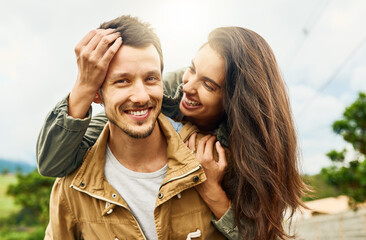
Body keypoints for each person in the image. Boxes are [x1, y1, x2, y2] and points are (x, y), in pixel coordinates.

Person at [37, 22, 306, 240]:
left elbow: (260, 233)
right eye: (191, 69)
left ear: (234, 103)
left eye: (209, 86)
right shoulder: (167, 92)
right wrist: (85, 85)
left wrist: (212, 190)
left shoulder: (236, 158)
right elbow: (55, 159)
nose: (188, 88)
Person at [42, 15, 229, 240]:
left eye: (151, 79)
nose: (141, 97)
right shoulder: (72, 187)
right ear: (97, 94)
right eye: (122, 81)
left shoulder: (213, 163)